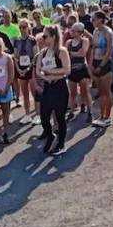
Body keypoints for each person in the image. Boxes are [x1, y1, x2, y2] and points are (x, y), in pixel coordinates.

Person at [36, 24, 71, 154]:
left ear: (53, 37)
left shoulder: (62, 51)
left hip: (60, 87)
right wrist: (46, 78)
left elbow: (67, 70)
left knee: (60, 116)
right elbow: (38, 70)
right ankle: (50, 135)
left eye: (45, 36)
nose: (43, 39)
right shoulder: (43, 52)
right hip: (48, 87)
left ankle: (61, 144)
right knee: (44, 115)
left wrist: (51, 72)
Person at [90, 11, 113, 127]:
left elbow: (109, 51)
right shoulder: (95, 31)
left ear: (101, 19)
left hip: (105, 63)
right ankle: (101, 116)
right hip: (95, 61)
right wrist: (91, 63)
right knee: (100, 92)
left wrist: (101, 65)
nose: (92, 21)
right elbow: (93, 48)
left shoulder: (108, 32)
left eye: (94, 19)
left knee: (106, 91)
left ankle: (107, 116)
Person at [14, 19, 39, 125]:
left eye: (24, 27)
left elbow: (36, 55)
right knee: (24, 93)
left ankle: (38, 114)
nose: (22, 29)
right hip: (21, 69)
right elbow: (15, 56)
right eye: (20, 27)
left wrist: (29, 68)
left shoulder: (32, 40)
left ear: (28, 27)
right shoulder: (17, 41)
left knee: (34, 92)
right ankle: (27, 114)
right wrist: (19, 69)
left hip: (31, 69)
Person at [66, 22, 92, 122]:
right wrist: (75, 53)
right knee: (72, 93)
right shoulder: (68, 42)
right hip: (72, 70)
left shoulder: (84, 40)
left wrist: (72, 53)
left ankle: (89, 111)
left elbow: (83, 53)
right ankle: (72, 111)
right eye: (71, 30)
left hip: (82, 69)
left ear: (80, 32)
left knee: (85, 91)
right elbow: (67, 55)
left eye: (73, 30)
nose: (71, 32)